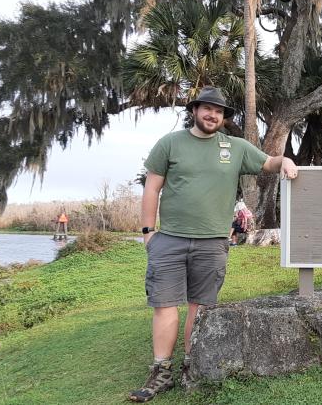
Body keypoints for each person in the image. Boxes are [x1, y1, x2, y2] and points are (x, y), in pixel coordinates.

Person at [128, 86, 298, 402]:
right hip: (170, 240)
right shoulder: (169, 144)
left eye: (218, 111)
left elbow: (269, 162)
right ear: (194, 110)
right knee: (165, 306)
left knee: (201, 307)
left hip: (212, 244)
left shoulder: (234, 147)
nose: (212, 115)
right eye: (207, 109)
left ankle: (192, 366)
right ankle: (161, 371)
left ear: (223, 117)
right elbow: (151, 189)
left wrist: (285, 161)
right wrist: (149, 233)